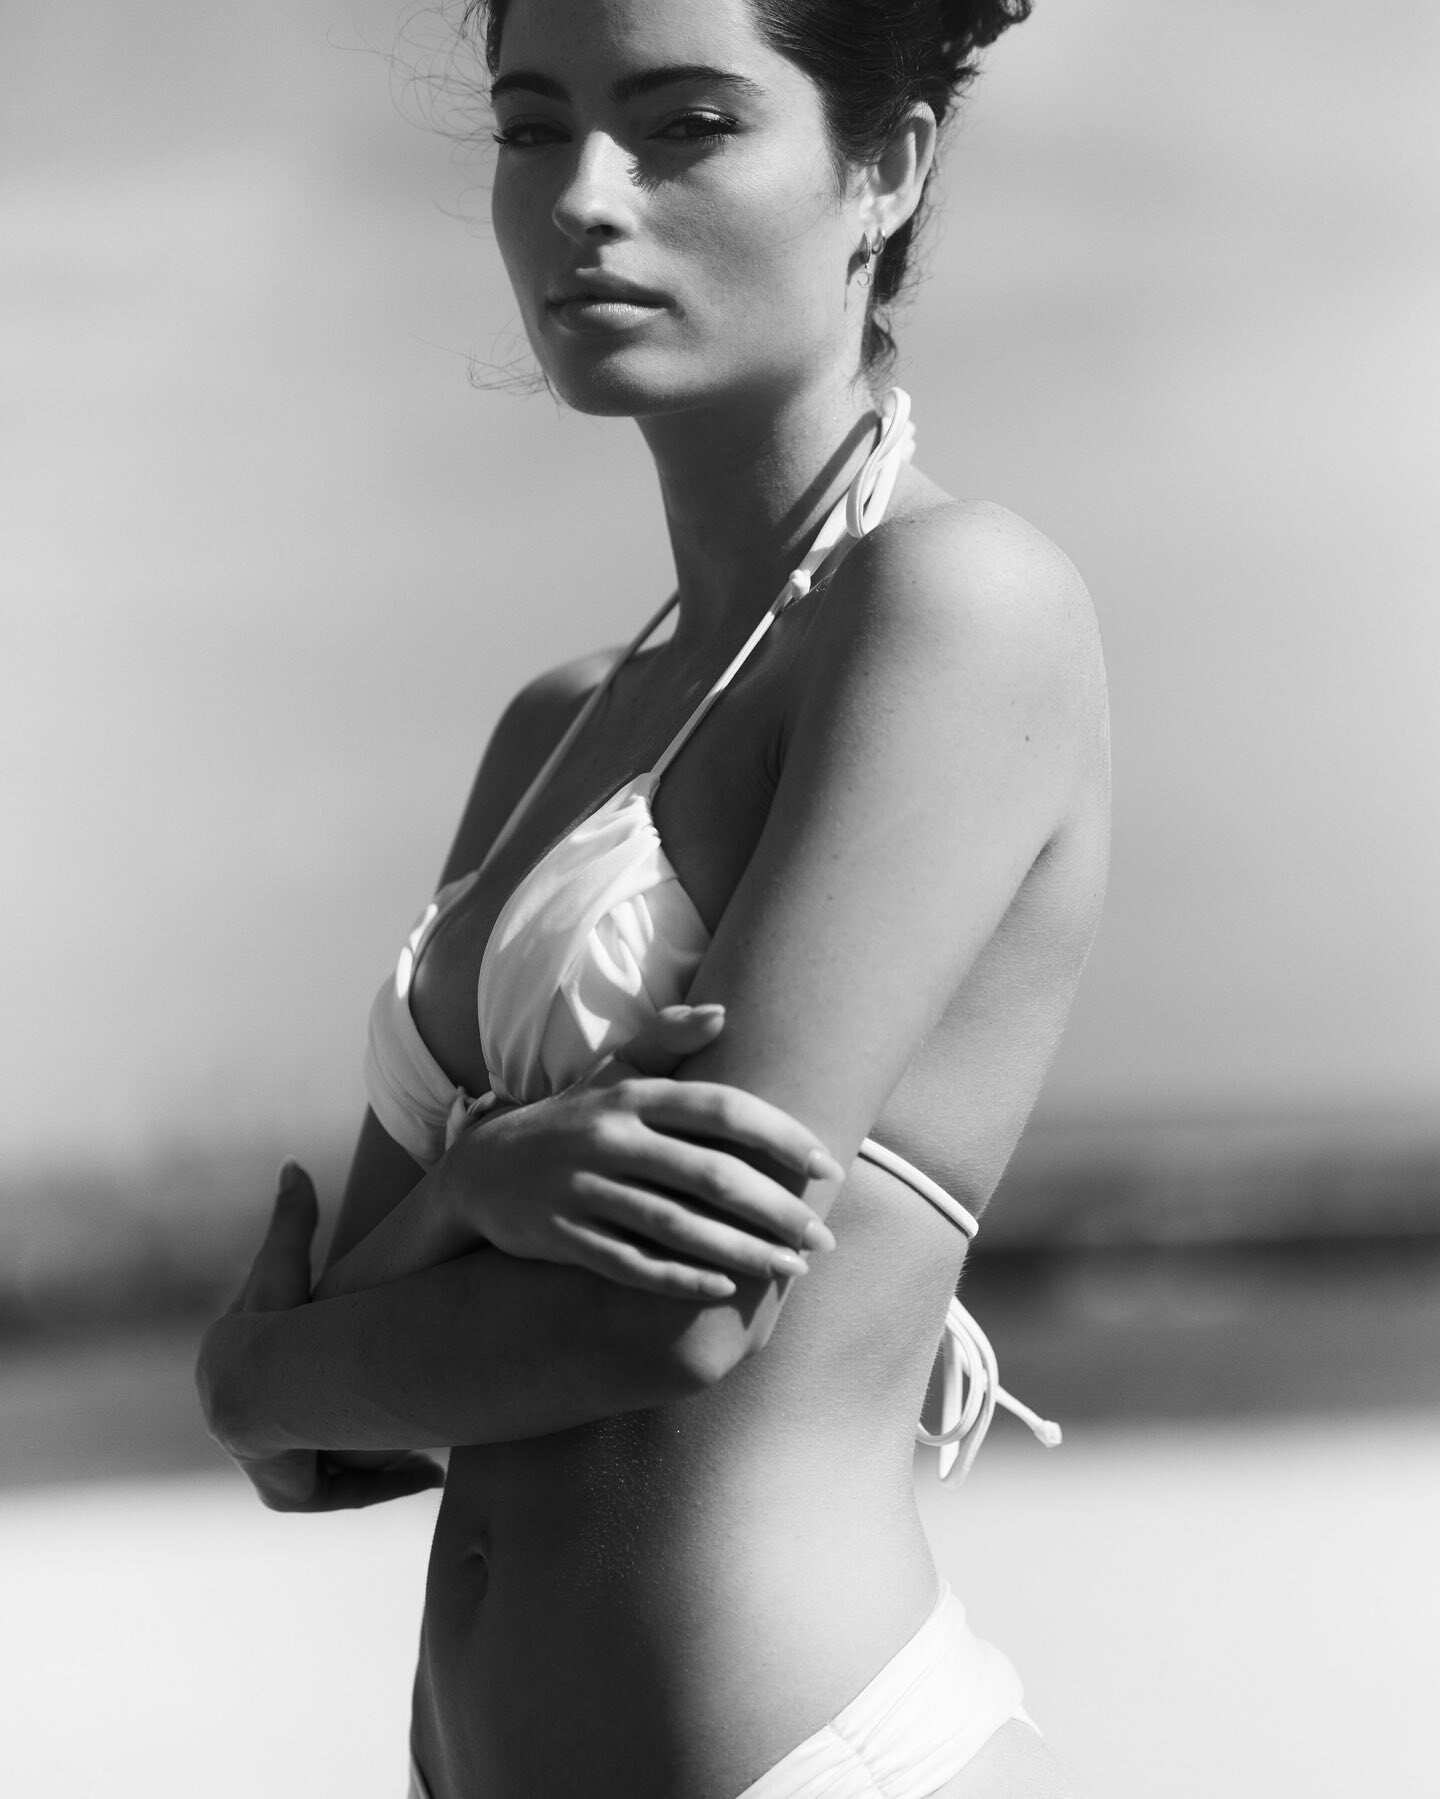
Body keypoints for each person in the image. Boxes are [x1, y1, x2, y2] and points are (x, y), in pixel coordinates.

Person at [197, 0, 1110, 1791]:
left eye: (684, 124)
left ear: (886, 168)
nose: (583, 199)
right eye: (533, 127)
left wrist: (249, 1376)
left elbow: (660, 1312)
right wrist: (475, 1196)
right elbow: (341, 1434)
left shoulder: (956, 608)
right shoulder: (555, 726)